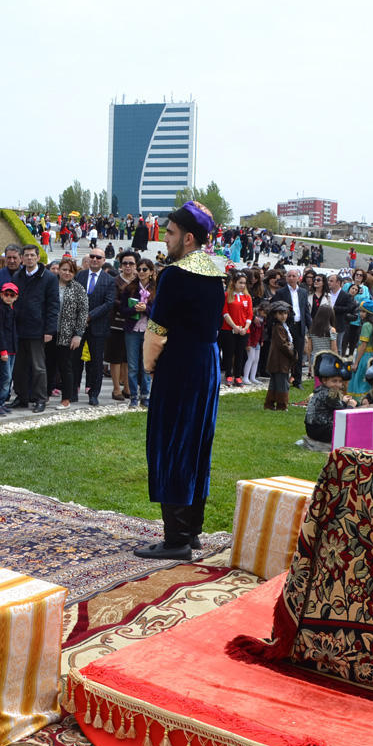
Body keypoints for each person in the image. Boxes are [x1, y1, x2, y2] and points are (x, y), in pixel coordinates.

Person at [135, 201, 225, 560]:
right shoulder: (216, 271)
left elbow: (156, 332)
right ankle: (193, 530)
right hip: (207, 363)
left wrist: (149, 365)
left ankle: (176, 540)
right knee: (198, 442)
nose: (165, 239)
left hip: (180, 364)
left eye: (170, 233)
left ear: (188, 238)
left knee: (170, 443)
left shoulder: (174, 275)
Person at [11, 244, 58, 413]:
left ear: (38, 257)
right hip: (19, 328)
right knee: (19, 367)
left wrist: (49, 330)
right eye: (26, 255)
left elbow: (53, 306)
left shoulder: (49, 278)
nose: (29, 258)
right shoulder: (17, 276)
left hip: (38, 329)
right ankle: (22, 397)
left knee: (38, 367)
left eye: (32, 255)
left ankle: (40, 398)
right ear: (22, 258)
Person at [75, 248, 116, 405]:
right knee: (75, 359)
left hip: (98, 327)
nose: (94, 259)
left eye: (98, 257)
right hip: (78, 326)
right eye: (92, 256)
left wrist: (90, 316)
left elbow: (109, 303)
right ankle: (73, 391)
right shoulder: (80, 276)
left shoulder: (109, 280)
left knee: (96, 363)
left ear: (103, 260)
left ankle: (94, 394)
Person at [51, 256, 88, 409]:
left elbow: (83, 313)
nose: (66, 273)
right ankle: (43, 395)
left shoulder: (78, 288)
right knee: (48, 364)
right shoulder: (51, 285)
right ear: (58, 270)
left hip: (68, 335)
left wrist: (78, 334)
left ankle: (66, 398)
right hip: (50, 332)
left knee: (66, 366)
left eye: (70, 271)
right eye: (64, 270)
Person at [304, 351, 356, 448]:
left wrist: (343, 401)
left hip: (311, 429)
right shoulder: (330, 394)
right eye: (334, 381)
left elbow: (334, 407)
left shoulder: (320, 390)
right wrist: (350, 406)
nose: (338, 384)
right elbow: (342, 414)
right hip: (321, 431)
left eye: (340, 381)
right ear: (324, 380)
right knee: (349, 424)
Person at [123, 257, 156, 407]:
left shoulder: (157, 289)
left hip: (149, 331)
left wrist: (147, 309)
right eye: (140, 269)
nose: (141, 272)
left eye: (145, 269)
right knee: (133, 366)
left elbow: (160, 312)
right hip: (133, 330)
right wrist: (134, 309)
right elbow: (122, 309)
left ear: (151, 272)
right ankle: (133, 396)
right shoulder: (130, 288)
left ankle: (146, 395)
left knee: (146, 365)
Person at [272, 269, 311, 389]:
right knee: (286, 352)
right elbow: (275, 307)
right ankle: (285, 379)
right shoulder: (281, 292)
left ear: (298, 278)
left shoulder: (303, 292)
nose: (291, 278)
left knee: (298, 353)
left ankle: (297, 380)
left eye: (294, 276)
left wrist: (310, 326)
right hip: (287, 325)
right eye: (289, 276)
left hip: (300, 325)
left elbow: (305, 310)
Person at [108, 251, 138, 401]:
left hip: (134, 325)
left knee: (128, 358)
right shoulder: (114, 281)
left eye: (131, 263)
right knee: (116, 357)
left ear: (136, 266)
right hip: (117, 324)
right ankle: (116, 389)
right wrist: (130, 307)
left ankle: (127, 387)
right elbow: (113, 301)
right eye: (125, 263)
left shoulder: (139, 281)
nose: (128, 266)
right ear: (120, 265)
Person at [220, 272, 252, 385]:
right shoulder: (227, 295)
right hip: (228, 329)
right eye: (240, 282)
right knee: (229, 353)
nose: (243, 285)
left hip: (244, 330)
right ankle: (229, 375)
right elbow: (225, 312)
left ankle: (238, 376)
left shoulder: (247, 297)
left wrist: (245, 328)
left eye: (244, 283)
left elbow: (249, 315)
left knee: (240, 353)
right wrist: (234, 326)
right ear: (234, 283)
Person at [0, 282, 18, 416]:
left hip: (12, 348)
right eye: (6, 294)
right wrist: (2, 350)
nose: (8, 297)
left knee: (9, 376)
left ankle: (1, 403)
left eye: (11, 295)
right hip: (4, 349)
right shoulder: (1, 310)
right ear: (1, 295)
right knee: (5, 377)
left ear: (16, 297)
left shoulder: (13, 309)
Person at [264, 301, 296, 410]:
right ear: (275, 315)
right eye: (280, 313)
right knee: (282, 383)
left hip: (278, 361)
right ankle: (282, 405)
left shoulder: (283, 326)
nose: (284, 316)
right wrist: (293, 354)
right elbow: (283, 345)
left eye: (285, 313)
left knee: (275, 383)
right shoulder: (278, 328)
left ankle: (269, 404)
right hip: (279, 361)